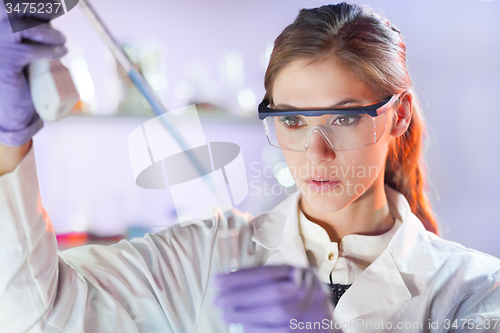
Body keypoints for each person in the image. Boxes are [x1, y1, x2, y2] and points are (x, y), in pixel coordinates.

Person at [1, 2, 499, 332]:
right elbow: (39, 315)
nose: (316, 153)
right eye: (292, 121)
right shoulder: (204, 255)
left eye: (345, 117)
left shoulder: (473, 290)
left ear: (399, 116)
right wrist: (8, 141)